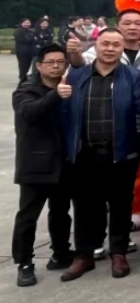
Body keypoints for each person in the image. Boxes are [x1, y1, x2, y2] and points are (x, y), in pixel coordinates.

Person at [59, 29, 140, 282]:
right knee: (85, 206)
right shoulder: (76, 75)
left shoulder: (134, 76)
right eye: (105, 44)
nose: (110, 49)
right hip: (84, 152)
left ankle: (118, 252)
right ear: (95, 46)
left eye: (115, 45)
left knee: (120, 205)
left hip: (120, 153)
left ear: (122, 48)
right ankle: (84, 254)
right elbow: (65, 111)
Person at [11, 44, 75, 287]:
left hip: (63, 162)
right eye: (50, 62)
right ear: (39, 66)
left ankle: (60, 253)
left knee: (61, 213)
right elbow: (30, 112)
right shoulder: (26, 90)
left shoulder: (68, 87)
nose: (56, 66)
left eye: (61, 62)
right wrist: (56, 94)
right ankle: (24, 263)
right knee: (28, 216)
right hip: (35, 163)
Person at [15, 18, 38, 83]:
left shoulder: (31, 31)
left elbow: (34, 40)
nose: (27, 24)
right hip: (22, 52)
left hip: (30, 52)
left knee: (28, 65)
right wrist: (30, 39)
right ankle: (22, 78)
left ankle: (24, 77)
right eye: (25, 23)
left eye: (28, 23)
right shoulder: (18, 31)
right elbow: (21, 40)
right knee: (23, 66)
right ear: (22, 23)